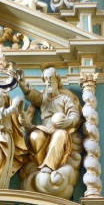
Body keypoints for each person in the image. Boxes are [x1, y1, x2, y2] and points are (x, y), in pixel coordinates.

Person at [18, 66, 82, 198]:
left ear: (57, 80)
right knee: (35, 136)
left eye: (51, 78)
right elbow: (32, 95)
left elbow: (74, 115)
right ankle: (40, 165)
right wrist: (22, 84)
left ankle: (49, 166)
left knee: (60, 135)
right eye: (46, 79)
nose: (48, 81)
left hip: (60, 128)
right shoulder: (44, 98)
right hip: (45, 129)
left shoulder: (65, 99)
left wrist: (68, 122)